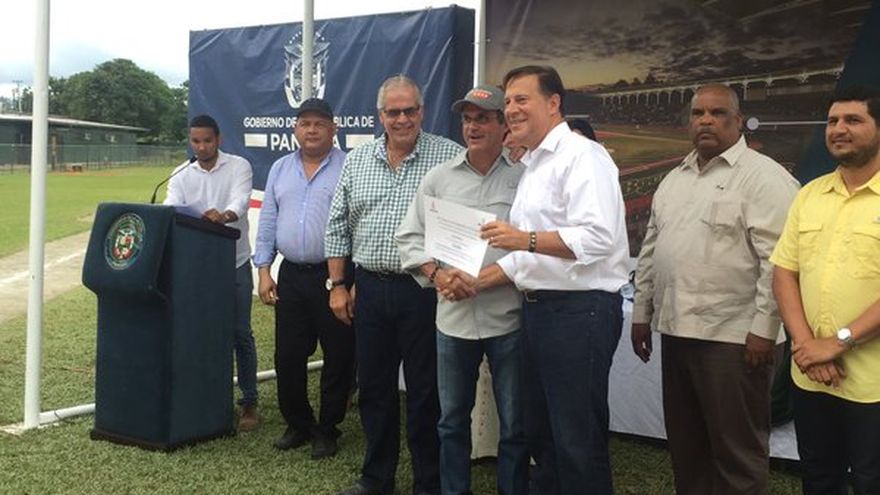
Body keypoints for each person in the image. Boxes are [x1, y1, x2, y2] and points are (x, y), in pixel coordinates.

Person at [451, 65, 629, 495]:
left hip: (579, 312)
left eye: (521, 99)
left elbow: (597, 238)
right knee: (542, 433)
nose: (511, 108)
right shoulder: (533, 165)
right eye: (508, 100)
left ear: (553, 103)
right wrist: (477, 280)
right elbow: (526, 261)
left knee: (576, 438)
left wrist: (523, 238)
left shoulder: (582, 156)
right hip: (538, 311)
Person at [630, 84, 799, 495]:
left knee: (736, 453)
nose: (705, 120)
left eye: (718, 113)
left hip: (736, 339)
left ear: (738, 121)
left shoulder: (765, 178)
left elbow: (779, 262)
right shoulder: (676, 179)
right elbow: (651, 249)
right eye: (698, 113)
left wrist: (764, 329)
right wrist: (641, 313)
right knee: (688, 446)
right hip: (677, 330)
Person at [325, 75, 462, 495]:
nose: (402, 119)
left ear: (422, 111)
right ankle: (376, 477)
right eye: (393, 112)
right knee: (374, 389)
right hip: (368, 288)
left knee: (425, 392)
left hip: (424, 291)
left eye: (409, 111)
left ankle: (428, 482)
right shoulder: (358, 159)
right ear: (380, 115)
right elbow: (338, 225)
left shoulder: (449, 156)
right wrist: (337, 284)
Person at [396, 84, 529, 495]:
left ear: (504, 126)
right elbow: (409, 237)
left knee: (515, 424)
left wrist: (487, 278)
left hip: (507, 319)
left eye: (483, 119)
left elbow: (532, 247)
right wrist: (437, 275)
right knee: (452, 421)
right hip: (452, 321)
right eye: (468, 119)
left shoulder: (525, 179)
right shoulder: (439, 179)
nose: (473, 127)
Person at [771, 85, 880, 494]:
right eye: (833, 121)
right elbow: (784, 272)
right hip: (812, 377)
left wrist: (837, 343)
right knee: (819, 478)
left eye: (853, 120)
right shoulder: (810, 194)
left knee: (871, 481)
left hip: (873, 383)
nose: (838, 129)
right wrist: (806, 346)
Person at [253, 98, 355, 459]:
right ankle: (298, 423)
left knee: (339, 356)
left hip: (335, 275)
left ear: (333, 129)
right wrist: (264, 270)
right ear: (295, 129)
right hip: (292, 275)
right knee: (288, 355)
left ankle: (328, 428)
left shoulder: (349, 166)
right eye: (305, 123)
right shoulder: (280, 168)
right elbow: (268, 220)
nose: (311, 130)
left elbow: (357, 222)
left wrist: (348, 283)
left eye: (319, 123)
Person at [164, 114, 259, 431]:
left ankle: (249, 401)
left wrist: (225, 215)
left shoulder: (239, 166)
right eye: (196, 141)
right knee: (199, 330)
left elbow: (241, 202)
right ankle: (204, 397)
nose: (202, 147)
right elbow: (171, 205)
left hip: (234, 262)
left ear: (219, 139)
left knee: (240, 333)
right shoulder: (181, 173)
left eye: (207, 140)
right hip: (196, 266)